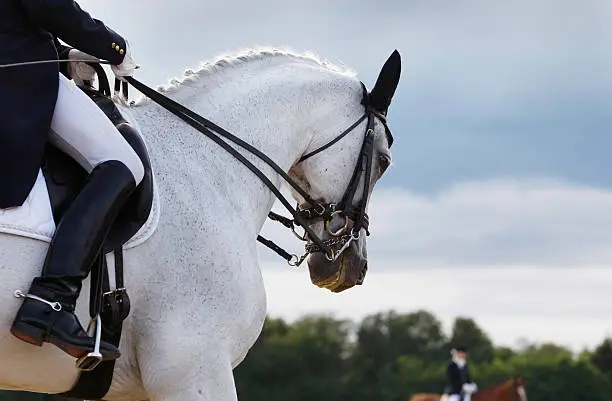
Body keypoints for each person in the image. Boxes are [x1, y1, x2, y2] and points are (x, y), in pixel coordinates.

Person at [1, 0, 146, 362]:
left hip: (18, 60)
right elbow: (49, 6)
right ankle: (52, 298)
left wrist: (64, 54)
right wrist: (114, 47)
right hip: (16, 82)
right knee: (123, 163)